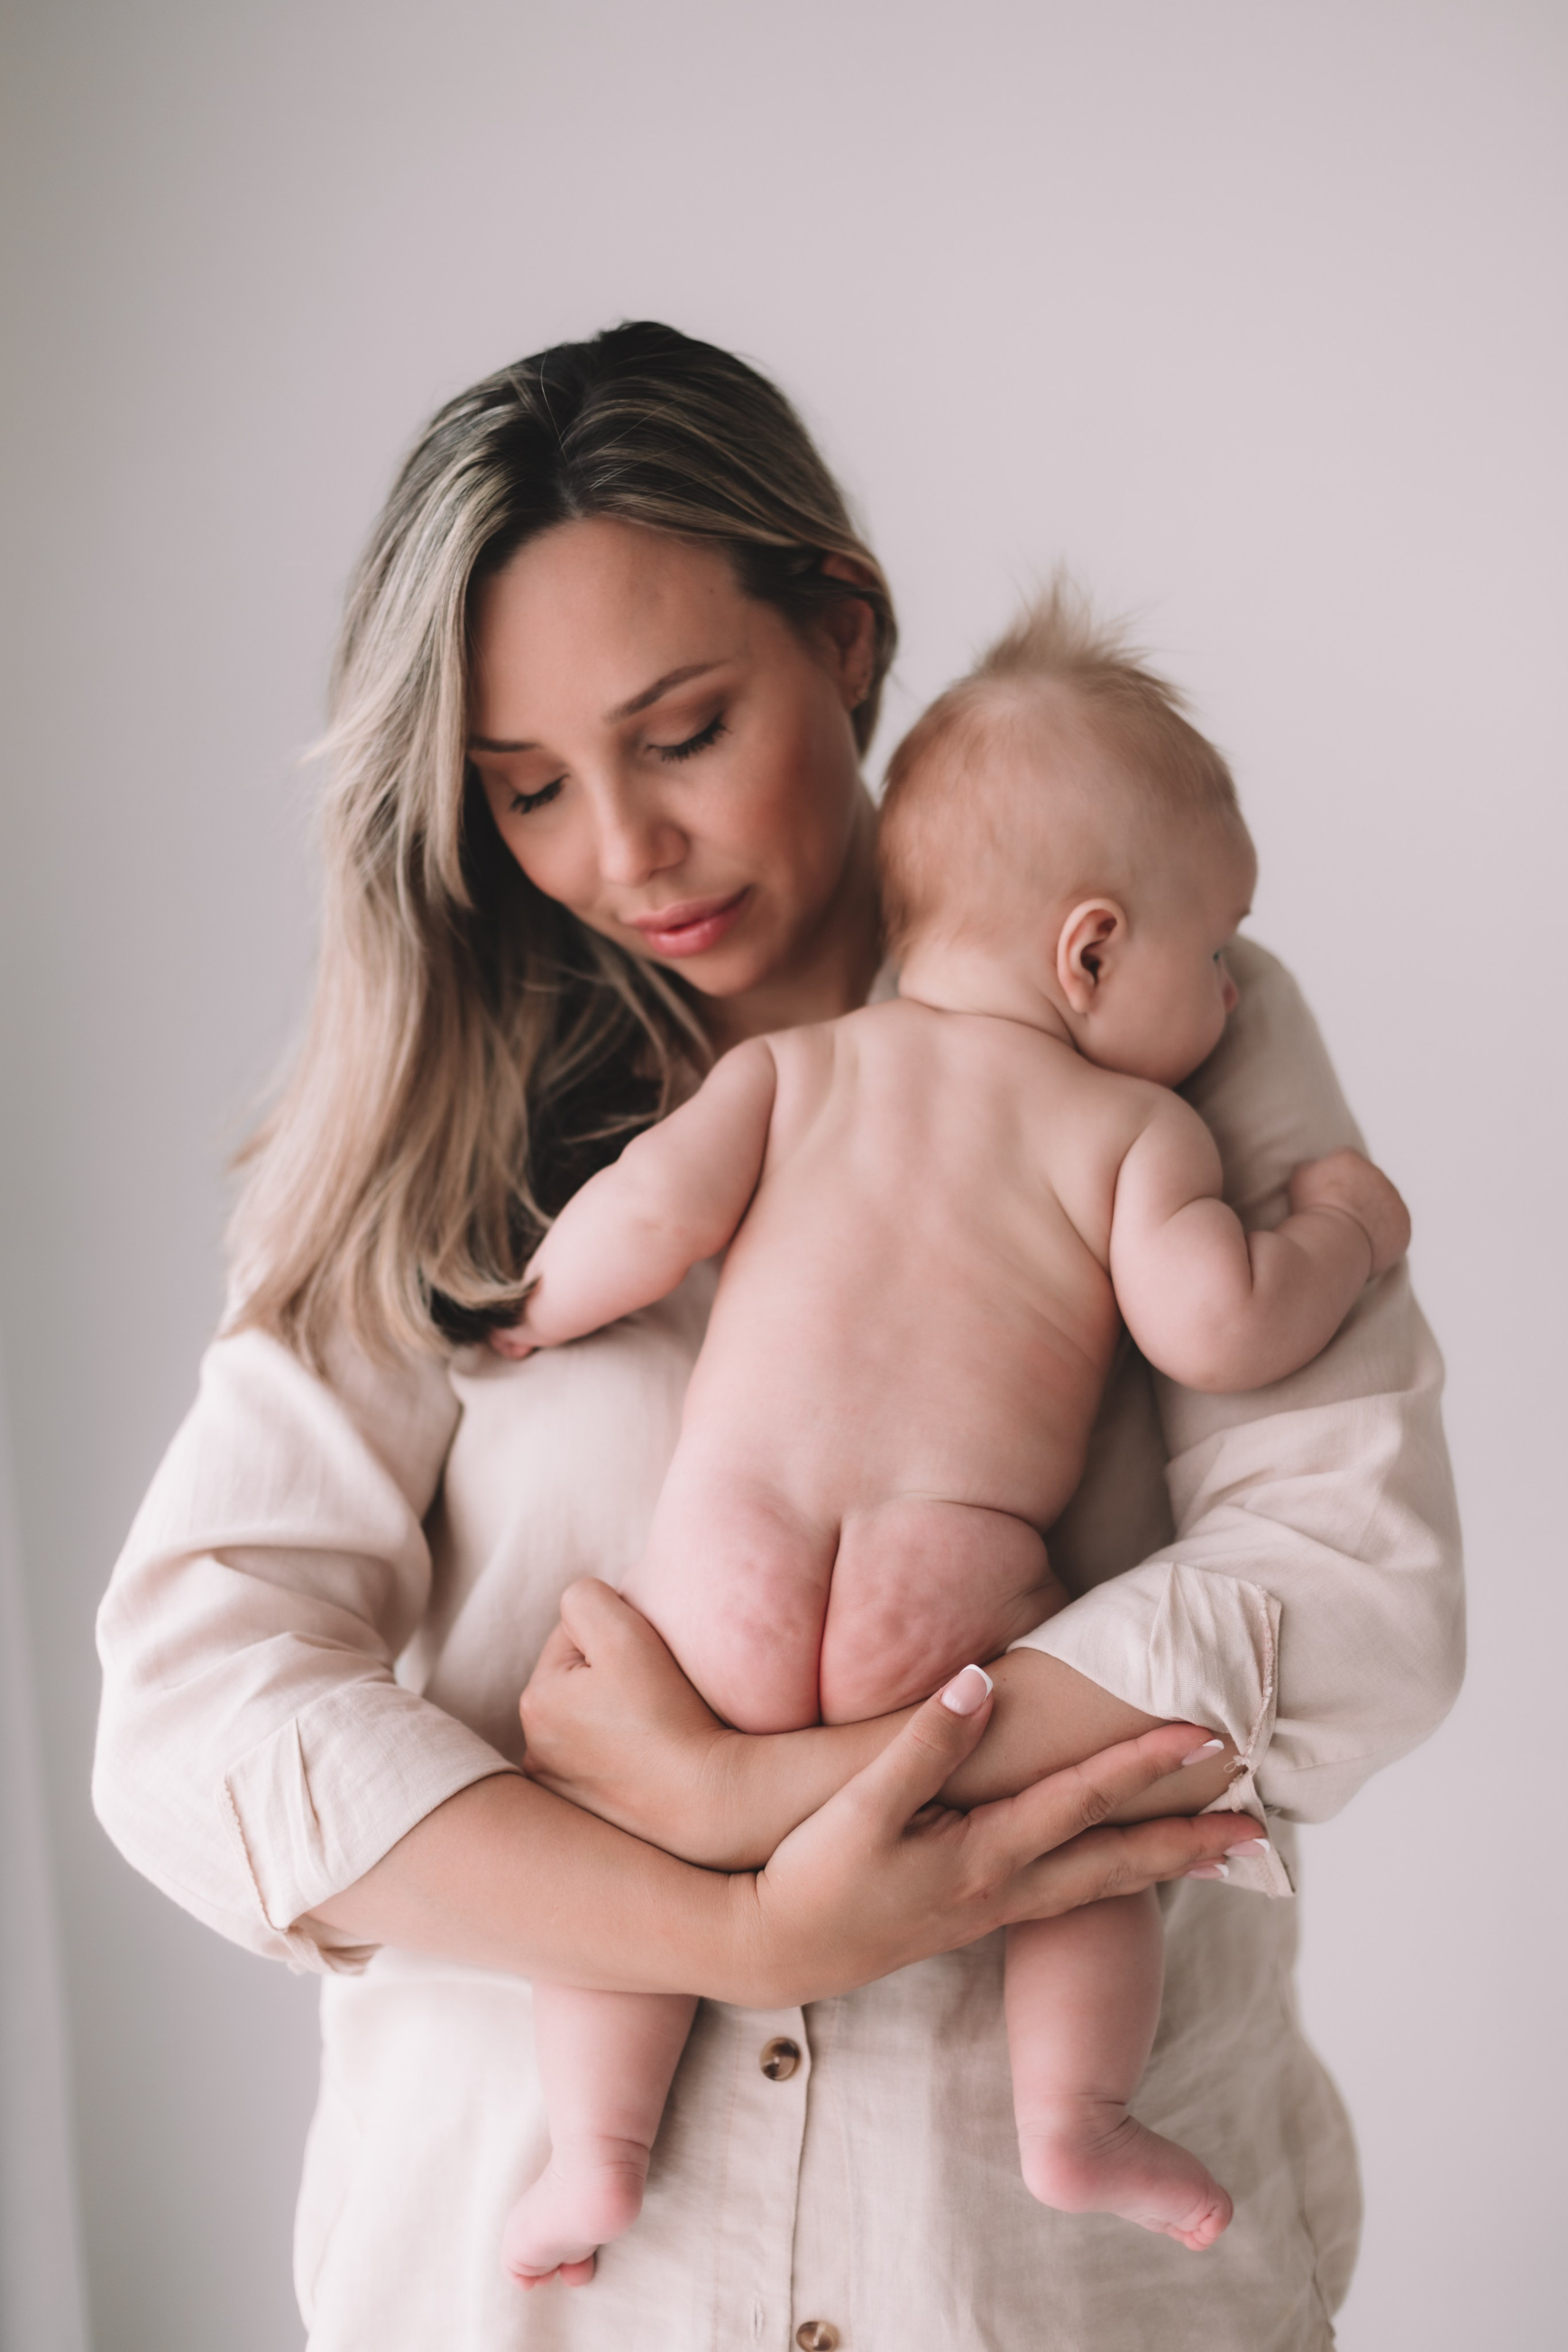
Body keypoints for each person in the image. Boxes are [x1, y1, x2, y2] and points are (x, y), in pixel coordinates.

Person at [92, 322, 1462, 2352]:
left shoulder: (1162, 1025)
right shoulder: (444, 1136)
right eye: (531, 790)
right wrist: (735, 1917)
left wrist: (770, 1790)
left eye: (683, 732)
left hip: (1035, 2303)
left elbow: (1355, 1597)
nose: (623, 856)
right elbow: (196, 1728)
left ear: (840, 630)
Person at [494, 592, 1411, 2285]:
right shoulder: (1129, 1128)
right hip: (952, 1594)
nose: (1225, 998)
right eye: (1209, 956)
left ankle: (594, 2152)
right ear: (1090, 953)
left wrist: (533, 1311)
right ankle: (1076, 2120)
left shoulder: (802, 1072)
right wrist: (1344, 1235)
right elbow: (1220, 1323)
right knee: (1066, 1851)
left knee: (609, 1821)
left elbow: (645, 1219)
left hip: (723, 1576)